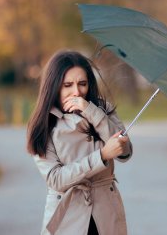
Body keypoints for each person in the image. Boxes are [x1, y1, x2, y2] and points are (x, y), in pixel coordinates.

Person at [27, 50, 133, 235]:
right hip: (68, 216)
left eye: (82, 84)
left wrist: (91, 111)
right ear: (54, 86)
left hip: (106, 211)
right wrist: (102, 156)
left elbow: (125, 152)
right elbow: (56, 179)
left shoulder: (103, 109)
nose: (76, 92)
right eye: (68, 85)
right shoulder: (44, 123)